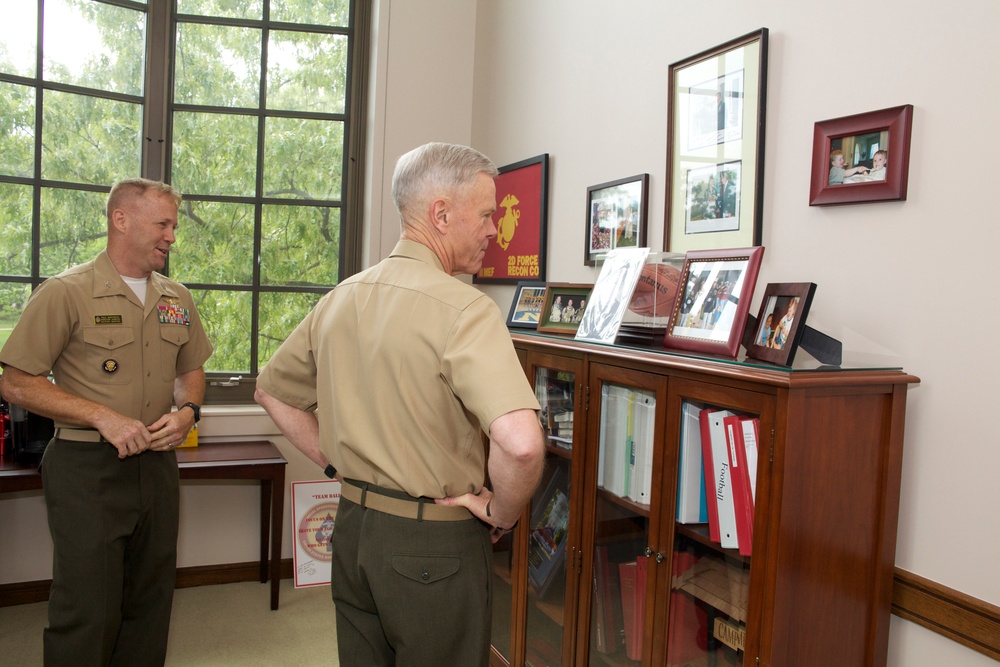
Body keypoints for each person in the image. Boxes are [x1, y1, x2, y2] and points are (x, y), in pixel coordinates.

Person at [253, 142, 546, 667]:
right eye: (485, 215)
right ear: (440, 214)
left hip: (353, 533)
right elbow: (522, 446)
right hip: (434, 544)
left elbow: (270, 391)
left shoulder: (342, 296)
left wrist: (333, 460)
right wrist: (500, 512)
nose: (491, 229)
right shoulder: (465, 309)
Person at [0, 178, 213, 666]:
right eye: (162, 224)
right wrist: (101, 416)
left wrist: (188, 412)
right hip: (86, 466)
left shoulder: (176, 296)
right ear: (121, 220)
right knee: (88, 607)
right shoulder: (65, 292)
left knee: (151, 600)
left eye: (173, 226)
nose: (171, 236)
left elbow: (190, 368)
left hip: (156, 466)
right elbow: (16, 382)